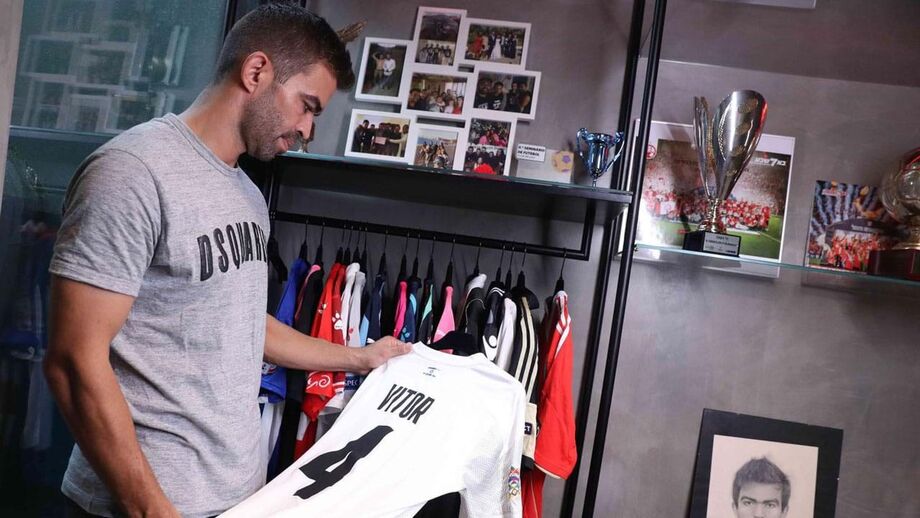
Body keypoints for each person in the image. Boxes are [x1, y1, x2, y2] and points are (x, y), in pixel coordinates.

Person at [43, 5, 412, 518]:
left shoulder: (248, 196)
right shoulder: (131, 171)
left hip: (234, 498)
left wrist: (360, 357)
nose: (308, 130)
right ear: (256, 71)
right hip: (141, 506)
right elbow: (71, 361)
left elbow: (241, 323)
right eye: (307, 106)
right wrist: (153, 510)